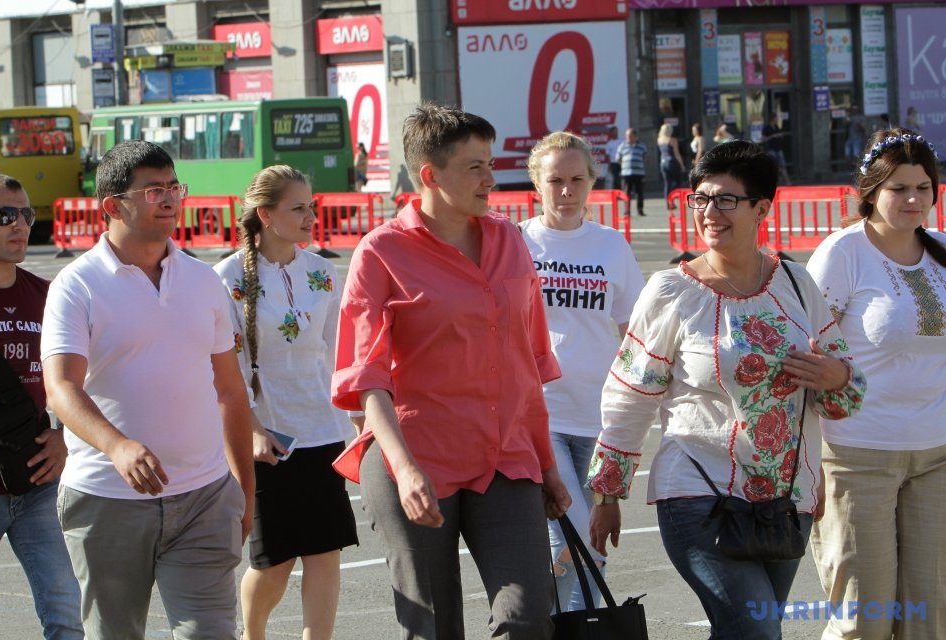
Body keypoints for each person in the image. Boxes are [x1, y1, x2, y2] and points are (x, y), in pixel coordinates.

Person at [588, 140, 866, 639]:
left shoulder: (798, 286)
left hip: (786, 503)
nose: (709, 212)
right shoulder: (672, 290)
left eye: (725, 200)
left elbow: (847, 389)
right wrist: (608, 493)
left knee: (750, 629)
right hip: (699, 493)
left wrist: (836, 378)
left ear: (762, 208)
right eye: (700, 199)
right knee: (756, 633)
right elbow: (629, 394)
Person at [332, 103, 571, 639]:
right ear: (430, 175)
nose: (492, 178)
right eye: (475, 167)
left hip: (505, 454)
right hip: (413, 457)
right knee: (433, 626)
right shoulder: (381, 252)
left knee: (530, 618)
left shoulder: (510, 241)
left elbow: (525, 368)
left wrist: (548, 465)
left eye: (490, 163)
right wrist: (406, 468)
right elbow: (366, 376)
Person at [41, 140, 255, 640]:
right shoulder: (76, 286)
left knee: (211, 633)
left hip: (205, 498)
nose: (170, 199)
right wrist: (117, 446)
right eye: (153, 189)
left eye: (174, 187)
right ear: (112, 205)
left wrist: (244, 491)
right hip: (106, 500)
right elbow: (60, 388)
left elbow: (229, 390)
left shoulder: (204, 282)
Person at [807, 128, 946, 640]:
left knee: (929, 621)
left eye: (924, 187)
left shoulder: (943, 254)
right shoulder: (842, 253)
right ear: (870, 192)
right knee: (863, 620)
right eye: (898, 189)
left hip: (937, 457)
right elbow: (808, 350)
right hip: (856, 456)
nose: (913, 199)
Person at [214, 165, 358, 640]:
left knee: (325, 551)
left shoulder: (322, 271)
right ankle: (250, 634)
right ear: (266, 215)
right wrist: (251, 426)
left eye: (310, 206)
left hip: (324, 432)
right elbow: (224, 366)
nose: (310, 216)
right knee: (274, 561)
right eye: (298, 208)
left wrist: (359, 419)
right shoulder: (227, 278)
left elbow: (341, 352)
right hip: (266, 437)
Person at [520, 132, 644, 612]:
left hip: (601, 416)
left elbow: (635, 333)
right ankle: (575, 622)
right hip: (540, 414)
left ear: (593, 181)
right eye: (555, 180)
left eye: (576, 179)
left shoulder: (612, 246)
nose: (566, 191)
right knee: (564, 539)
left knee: (591, 544)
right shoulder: (516, 241)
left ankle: (573, 622)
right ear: (536, 184)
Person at [0, 173, 83, 639]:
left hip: (38, 482)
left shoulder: (46, 295)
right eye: (5, 215)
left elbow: (81, 380)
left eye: (26, 214)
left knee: (66, 613)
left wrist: (65, 436)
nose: (20, 225)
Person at [617, 128, 647, 216]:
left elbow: (644, 157)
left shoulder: (642, 146)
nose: (628, 138)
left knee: (640, 192)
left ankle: (640, 209)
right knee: (626, 193)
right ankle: (627, 210)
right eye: (627, 136)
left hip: (639, 173)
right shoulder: (622, 145)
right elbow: (618, 158)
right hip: (626, 173)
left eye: (630, 136)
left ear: (635, 136)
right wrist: (625, 165)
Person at [657, 123, 685, 208]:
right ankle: (672, 194)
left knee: (667, 183)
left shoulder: (659, 140)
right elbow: (677, 154)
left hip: (662, 162)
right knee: (678, 181)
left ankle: (668, 203)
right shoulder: (672, 140)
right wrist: (682, 165)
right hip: (671, 161)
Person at [761, 119, 790, 184]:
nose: (777, 120)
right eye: (775, 119)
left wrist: (780, 135)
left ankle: (788, 182)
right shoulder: (767, 128)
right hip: (771, 149)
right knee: (773, 166)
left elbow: (781, 136)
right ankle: (774, 182)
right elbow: (763, 139)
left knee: (782, 166)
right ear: (772, 119)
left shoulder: (777, 127)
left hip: (778, 149)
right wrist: (772, 136)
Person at [603, 126, 623, 191]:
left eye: (616, 131)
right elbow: (607, 155)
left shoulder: (621, 141)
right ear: (611, 133)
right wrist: (609, 164)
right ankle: (617, 191)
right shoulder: (609, 143)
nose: (616, 133)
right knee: (615, 178)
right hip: (613, 163)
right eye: (614, 131)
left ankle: (624, 190)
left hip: (622, 162)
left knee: (623, 177)